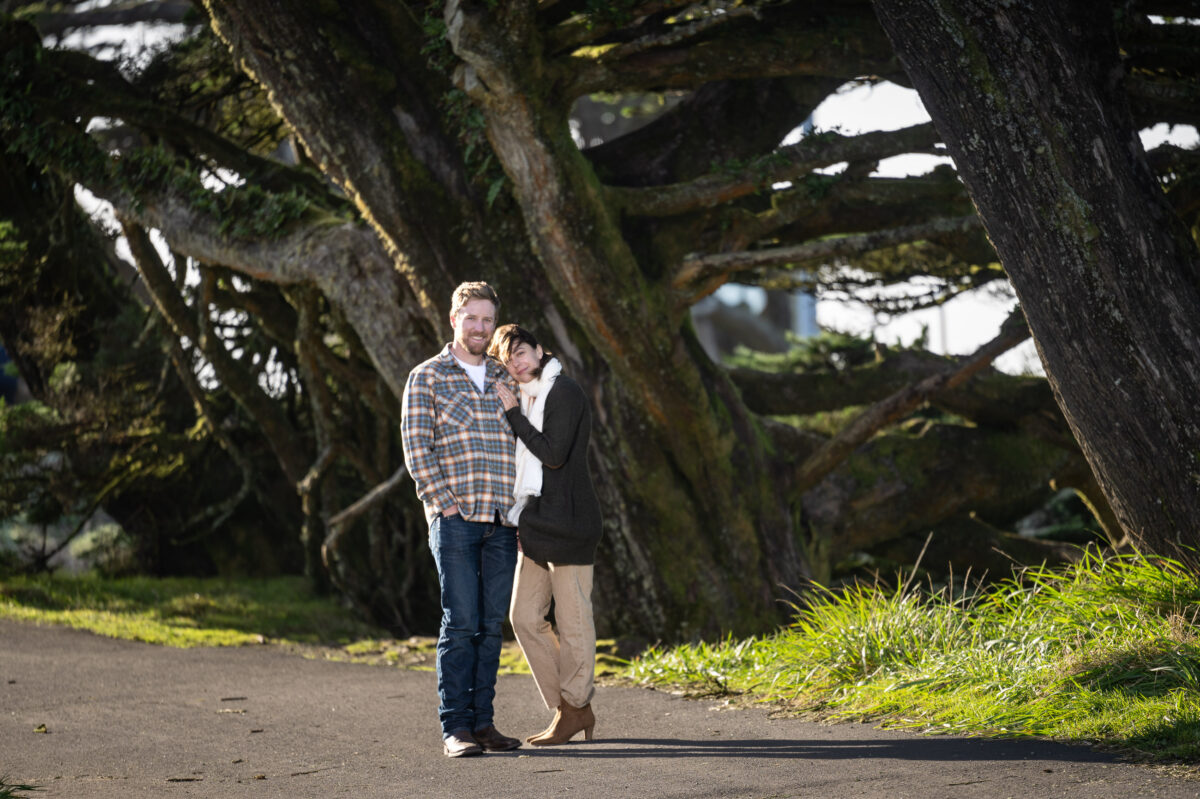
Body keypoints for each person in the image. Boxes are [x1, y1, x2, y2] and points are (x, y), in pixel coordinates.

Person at [400, 282, 522, 758]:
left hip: (502, 521)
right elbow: (416, 446)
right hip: (454, 519)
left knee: (491, 625)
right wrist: (443, 502)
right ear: (454, 319)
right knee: (461, 621)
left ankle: (484, 724)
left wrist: (518, 509)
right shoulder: (426, 376)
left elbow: (521, 441)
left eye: (487, 320)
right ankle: (456, 729)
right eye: (471, 318)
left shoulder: (503, 377)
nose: (480, 327)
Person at [489, 324, 603, 746]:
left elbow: (553, 455)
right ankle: (570, 708)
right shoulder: (529, 397)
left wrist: (513, 416)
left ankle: (574, 707)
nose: (516, 363)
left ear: (539, 350)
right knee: (523, 617)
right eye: (507, 360)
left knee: (573, 623)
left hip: (571, 523)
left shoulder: (563, 392)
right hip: (537, 523)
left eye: (520, 352)